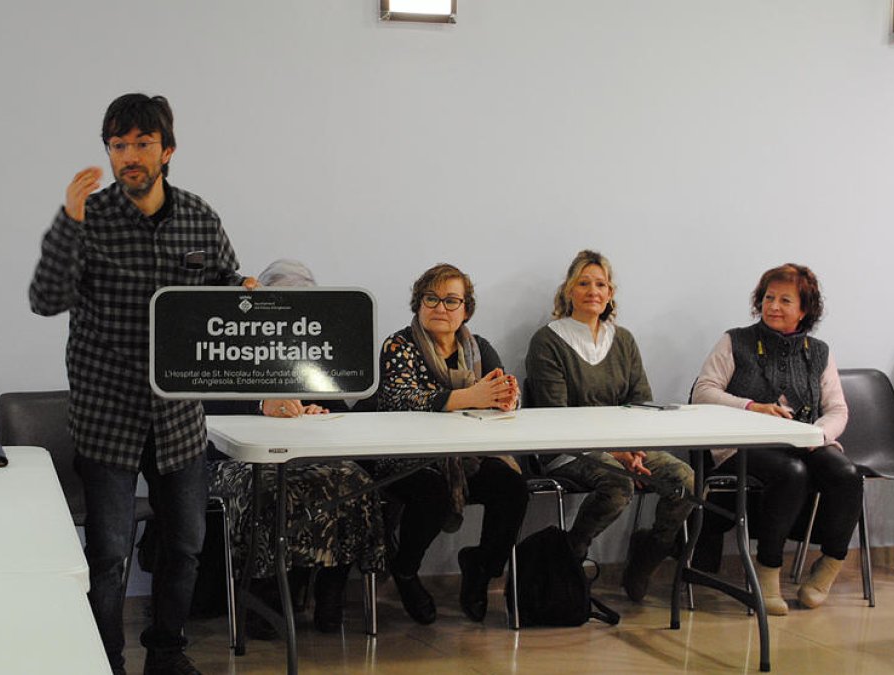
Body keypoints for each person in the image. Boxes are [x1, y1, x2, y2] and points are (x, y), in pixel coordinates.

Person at [29, 93, 254, 675]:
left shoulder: (200, 216)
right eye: (118, 145)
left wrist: (245, 296)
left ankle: (167, 653)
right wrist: (68, 223)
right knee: (107, 555)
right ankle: (104, 661)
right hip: (107, 414)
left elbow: (224, 295)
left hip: (178, 417)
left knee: (184, 544)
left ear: (167, 150)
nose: (128, 155)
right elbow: (45, 299)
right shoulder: (89, 217)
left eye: (141, 144)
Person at [205, 259, 385, 637]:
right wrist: (261, 405)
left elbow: (338, 407)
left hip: (305, 457)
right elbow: (205, 403)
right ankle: (264, 600)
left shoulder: (313, 347)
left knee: (353, 480)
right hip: (239, 461)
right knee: (268, 489)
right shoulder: (228, 341)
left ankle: (330, 592)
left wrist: (319, 410)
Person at [524, 250, 694, 603]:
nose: (593, 291)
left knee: (685, 481)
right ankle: (573, 553)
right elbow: (555, 414)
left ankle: (647, 558)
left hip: (626, 446)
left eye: (601, 284)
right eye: (583, 283)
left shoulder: (624, 340)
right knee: (619, 485)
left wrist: (632, 449)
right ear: (568, 291)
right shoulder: (548, 341)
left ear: (611, 292)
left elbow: (641, 402)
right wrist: (615, 453)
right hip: (569, 449)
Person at [691, 263, 859, 615]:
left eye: (785, 300)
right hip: (741, 446)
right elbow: (703, 392)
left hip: (801, 442)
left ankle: (828, 565)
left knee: (846, 474)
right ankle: (767, 572)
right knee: (791, 473)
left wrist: (820, 434)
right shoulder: (735, 340)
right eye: (769, 298)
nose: (774, 306)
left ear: (805, 309)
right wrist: (752, 406)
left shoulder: (819, 352)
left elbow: (837, 409)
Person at [369, 263, 527, 624]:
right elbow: (401, 399)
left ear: (466, 309)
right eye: (432, 298)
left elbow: (502, 395)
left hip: (463, 454)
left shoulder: (478, 348)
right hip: (404, 456)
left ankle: (481, 569)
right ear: (418, 304)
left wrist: (506, 397)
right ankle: (406, 571)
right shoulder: (399, 345)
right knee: (433, 492)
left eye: (451, 300)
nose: (440, 307)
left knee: (512, 487)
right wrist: (472, 395)